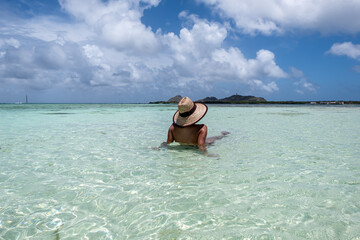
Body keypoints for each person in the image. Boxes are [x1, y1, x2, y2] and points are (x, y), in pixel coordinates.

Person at [162, 96, 229, 152]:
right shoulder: (202, 128)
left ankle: (222, 135)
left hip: (182, 147)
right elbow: (201, 145)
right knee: (212, 139)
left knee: (212, 138)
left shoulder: (172, 127)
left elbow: (168, 143)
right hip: (195, 148)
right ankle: (222, 135)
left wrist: (160, 147)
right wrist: (206, 154)